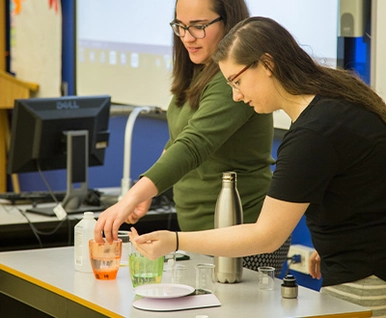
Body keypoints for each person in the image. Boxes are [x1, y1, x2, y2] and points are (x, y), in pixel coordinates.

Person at [131, 16, 386, 316]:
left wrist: (174, 241)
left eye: (237, 82)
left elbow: (266, 236)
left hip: (366, 281)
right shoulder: (335, 101)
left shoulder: (312, 134)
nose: (236, 96)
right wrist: (339, 241)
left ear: (267, 65)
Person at [95, 0, 291, 273]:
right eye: (181, 26)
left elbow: (193, 145)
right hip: (202, 236)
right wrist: (149, 189)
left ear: (228, 22)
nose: (187, 37)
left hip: (241, 235)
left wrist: (130, 198)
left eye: (199, 27)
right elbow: (179, 139)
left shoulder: (233, 81)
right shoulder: (196, 72)